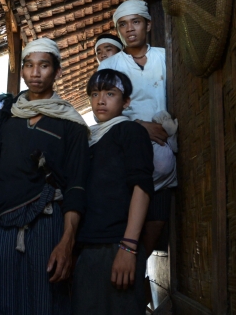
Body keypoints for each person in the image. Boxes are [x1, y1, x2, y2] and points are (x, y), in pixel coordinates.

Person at [0, 38, 90, 314]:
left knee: (45, 301)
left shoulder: (70, 124)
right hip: (4, 220)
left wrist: (67, 241)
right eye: (29, 65)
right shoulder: (8, 116)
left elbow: (76, 185)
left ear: (58, 71)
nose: (35, 73)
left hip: (48, 221)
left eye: (44, 66)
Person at [98, 0, 178, 255]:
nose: (129, 29)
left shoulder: (166, 57)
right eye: (123, 24)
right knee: (128, 212)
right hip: (128, 148)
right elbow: (102, 113)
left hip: (164, 154)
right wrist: (139, 126)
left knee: (158, 215)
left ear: (149, 25)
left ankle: (140, 265)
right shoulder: (109, 67)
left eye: (136, 22)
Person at [72, 69, 154, 315]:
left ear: (126, 101)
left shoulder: (130, 132)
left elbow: (142, 187)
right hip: (87, 249)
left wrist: (128, 247)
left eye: (110, 93)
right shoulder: (88, 140)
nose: (101, 100)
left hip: (117, 246)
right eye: (95, 94)